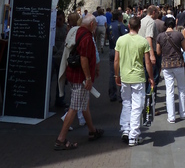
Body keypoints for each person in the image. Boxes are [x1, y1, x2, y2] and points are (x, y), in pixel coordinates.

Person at [54, 15, 104, 150]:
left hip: (73, 74)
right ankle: (61, 139)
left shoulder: (76, 31)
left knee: (84, 104)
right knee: (74, 107)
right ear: (92, 24)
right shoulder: (87, 37)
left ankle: (92, 131)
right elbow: (84, 59)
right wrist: (88, 78)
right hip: (80, 78)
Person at [115, 15, 154, 146]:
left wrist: (116, 75)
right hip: (138, 77)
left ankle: (125, 129)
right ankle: (134, 135)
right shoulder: (143, 41)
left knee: (127, 103)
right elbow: (147, 62)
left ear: (129, 26)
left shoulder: (121, 40)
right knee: (137, 106)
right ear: (139, 27)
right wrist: (151, 77)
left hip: (125, 76)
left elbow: (116, 60)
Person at [156, 17, 185, 123]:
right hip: (178, 64)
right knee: (182, 89)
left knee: (169, 91)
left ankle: (171, 117)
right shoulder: (179, 35)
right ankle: (184, 113)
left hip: (166, 65)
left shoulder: (160, 36)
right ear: (174, 25)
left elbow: (158, 52)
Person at [107, 9, 128, 102]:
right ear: (119, 17)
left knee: (112, 73)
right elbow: (125, 36)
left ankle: (112, 94)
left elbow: (108, 36)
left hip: (111, 49)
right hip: (120, 50)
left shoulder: (109, 26)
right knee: (121, 72)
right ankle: (121, 95)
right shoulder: (121, 25)